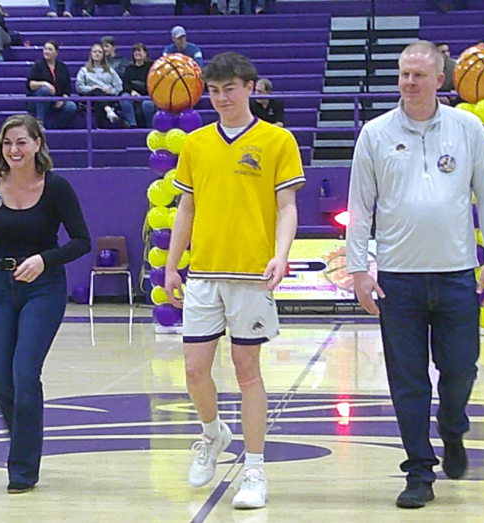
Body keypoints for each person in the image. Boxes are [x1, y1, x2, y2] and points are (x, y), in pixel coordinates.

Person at [345, 40, 484, 509]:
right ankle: (419, 471)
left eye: (419, 75)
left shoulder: (469, 128)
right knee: (408, 380)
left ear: (441, 79)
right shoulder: (374, 134)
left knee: (460, 371)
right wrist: (359, 269)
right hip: (399, 279)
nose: (409, 83)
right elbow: (360, 207)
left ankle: (453, 429)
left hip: (457, 275)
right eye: (403, 74)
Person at [164, 52, 305, 510]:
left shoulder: (277, 140)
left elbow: (286, 206)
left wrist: (281, 255)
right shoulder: (196, 144)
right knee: (193, 370)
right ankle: (212, 434)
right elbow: (185, 207)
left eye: (230, 88)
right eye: (215, 90)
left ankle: (255, 469)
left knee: (248, 373)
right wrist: (171, 263)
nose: (222, 97)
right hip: (204, 272)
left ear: (250, 88)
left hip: (250, 276)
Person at [0, 114, 91, 493]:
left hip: (43, 288)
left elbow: (82, 240)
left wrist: (44, 259)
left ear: (37, 144)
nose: (14, 150)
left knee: (24, 373)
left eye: (21, 142)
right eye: (7, 143)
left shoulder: (56, 188)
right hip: (0, 287)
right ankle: (25, 440)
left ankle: (22, 468)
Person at [26, 40, 77, 129]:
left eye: (50, 49)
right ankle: (39, 121)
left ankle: (56, 128)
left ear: (56, 53)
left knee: (71, 106)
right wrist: (45, 84)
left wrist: (63, 99)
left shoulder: (62, 67)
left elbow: (67, 89)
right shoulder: (38, 66)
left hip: (56, 100)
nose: (47, 51)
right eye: (45, 49)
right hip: (38, 100)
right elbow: (30, 84)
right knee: (44, 90)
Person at [75, 43, 123, 127]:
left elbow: (119, 86)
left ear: (103, 55)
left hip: (107, 96)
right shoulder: (84, 70)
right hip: (90, 96)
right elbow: (79, 87)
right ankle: (109, 111)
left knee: (100, 100)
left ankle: (99, 128)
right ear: (91, 54)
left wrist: (110, 90)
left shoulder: (110, 71)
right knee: (97, 92)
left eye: (100, 52)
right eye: (95, 52)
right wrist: (91, 88)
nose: (97, 54)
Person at [119, 42, 155, 128]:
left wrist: (141, 95)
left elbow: (153, 84)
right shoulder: (129, 68)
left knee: (147, 104)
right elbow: (125, 85)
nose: (136, 53)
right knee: (124, 97)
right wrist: (132, 92)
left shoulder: (152, 67)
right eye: (135, 51)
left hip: (147, 95)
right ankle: (132, 124)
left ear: (145, 53)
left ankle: (150, 126)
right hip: (132, 95)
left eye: (139, 51)